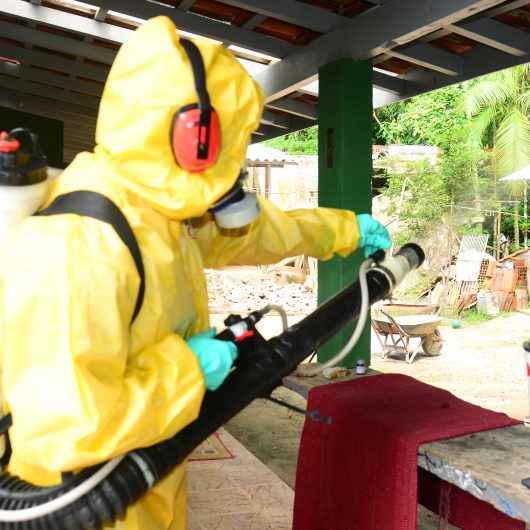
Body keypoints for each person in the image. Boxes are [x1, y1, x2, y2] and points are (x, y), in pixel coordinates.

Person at [0, 16, 391, 530]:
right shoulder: (80, 245)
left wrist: (343, 231)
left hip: (148, 486)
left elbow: (255, 234)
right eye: (229, 144)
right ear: (194, 137)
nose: (236, 166)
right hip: (87, 505)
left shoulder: (156, 211)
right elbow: (68, 427)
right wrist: (187, 370)